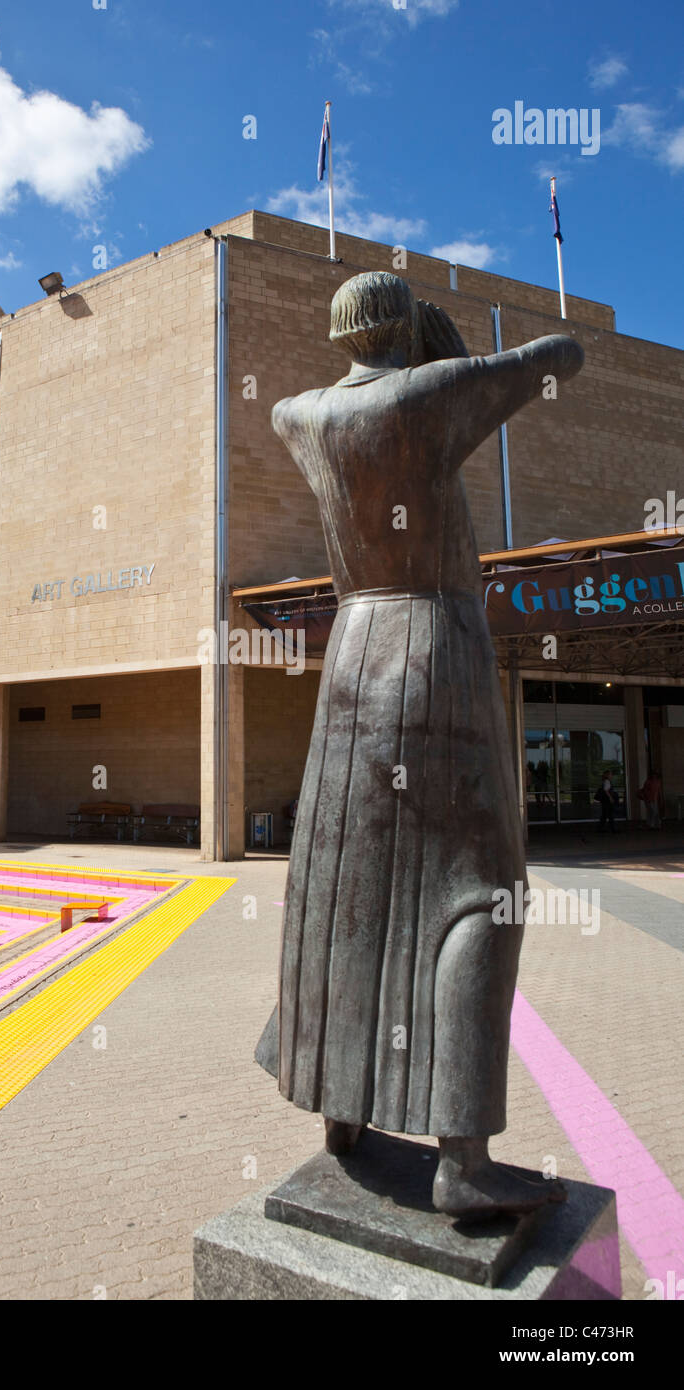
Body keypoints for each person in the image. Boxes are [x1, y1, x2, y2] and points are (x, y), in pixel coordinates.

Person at [255, 271, 584, 1219]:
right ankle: (464, 1159)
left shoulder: (298, 413)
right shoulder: (431, 391)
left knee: (344, 882)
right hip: (434, 646)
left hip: (354, 654)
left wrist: (407, 350)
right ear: (405, 327)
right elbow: (558, 357)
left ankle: (340, 1111)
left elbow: (330, 397)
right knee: (481, 891)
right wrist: (444, 354)